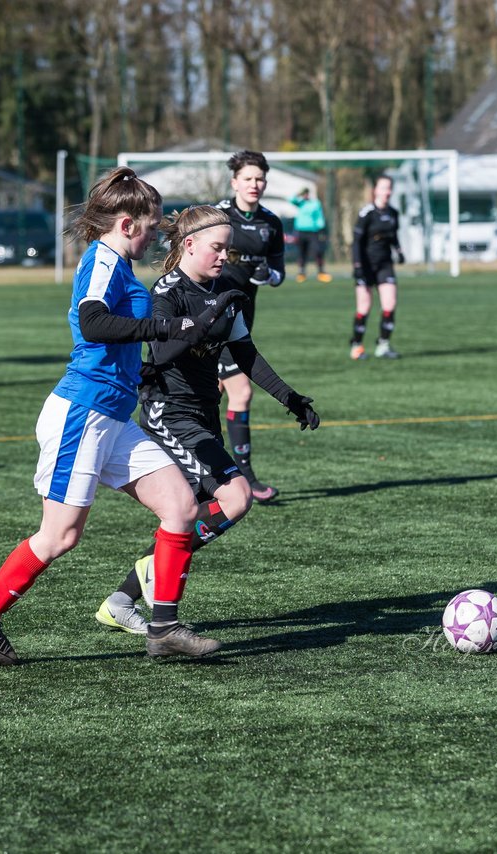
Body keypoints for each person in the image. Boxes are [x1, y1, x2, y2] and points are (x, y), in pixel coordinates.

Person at [0, 167, 243, 666]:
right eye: (152, 225)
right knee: (61, 535)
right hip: (82, 414)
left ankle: (165, 627)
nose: (157, 234)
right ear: (127, 224)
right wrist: (173, 323)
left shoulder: (121, 268)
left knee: (179, 506)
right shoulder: (103, 260)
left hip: (113, 417)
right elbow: (92, 322)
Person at [95, 205, 320, 633]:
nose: (223, 257)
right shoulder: (166, 291)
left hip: (202, 414)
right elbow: (163, 354)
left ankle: (121, 601)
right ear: (189, 244)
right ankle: (154, 580)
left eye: (228, 250)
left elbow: (246, 356)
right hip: (169, 412)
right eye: (217, 248)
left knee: (193, 514)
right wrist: (210, 315)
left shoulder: (219, 290)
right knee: (236, 497)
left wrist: (289, 397)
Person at [214, 150, 286, 503]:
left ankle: (205, 475)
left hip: (242, 319)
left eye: (259, 179)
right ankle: (245, 478)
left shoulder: (271, 223)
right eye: (248, 178)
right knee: (240, 391)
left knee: (209, 394)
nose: (254, 184)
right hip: (211, 318)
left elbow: (279, 273)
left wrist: (266, 274)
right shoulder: (217, 216)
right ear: (234, 182)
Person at [351, 174, 404, 360]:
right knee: (364, 307)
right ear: (376, 191)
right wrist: (357, 265)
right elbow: (356, 242)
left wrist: (399, 250)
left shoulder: (393, 213)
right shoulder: (367, 213)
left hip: (385, 264)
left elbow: (393, 236)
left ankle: (383, 345)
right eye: (383, 188)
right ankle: (356, 346)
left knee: (390, 305)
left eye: (389, 188)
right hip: (365, 265)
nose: (387, 192)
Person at [290, 187, 330, 282]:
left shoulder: (315, 203)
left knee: (318, 251)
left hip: (313, 231)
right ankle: (301, 273)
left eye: (306, 193)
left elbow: (319, 217)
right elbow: (291, 199)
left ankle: (321, 272)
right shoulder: (300, 203)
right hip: (300, 231)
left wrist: (321, 229)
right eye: (304, 194)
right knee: (301, 253)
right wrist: (299, 194)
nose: (305, 195)